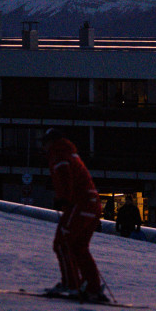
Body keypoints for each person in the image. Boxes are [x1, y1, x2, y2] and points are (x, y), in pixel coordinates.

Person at [42, 128, 107, 302]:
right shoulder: (70, 153)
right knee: (79, 246)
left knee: (62, 243)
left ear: (51, 142)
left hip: (79, 204)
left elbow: (65, 177)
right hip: (92, 204)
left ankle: (71, 284)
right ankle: (92, 287)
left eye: (45, 142)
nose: (44, 147)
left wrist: (63, 199)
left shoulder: (59, 154)